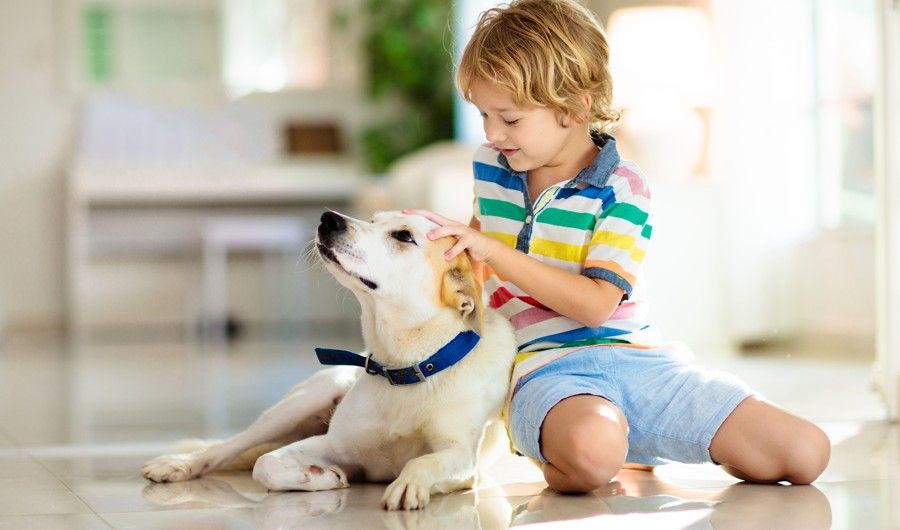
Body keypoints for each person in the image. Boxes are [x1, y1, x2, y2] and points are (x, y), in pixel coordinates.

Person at [405, 0, 830, 493]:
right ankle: (595, 446)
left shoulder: (624, 187)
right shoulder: (490, 169)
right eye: (483, 114)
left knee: (807, 452)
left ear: (574, 107)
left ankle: (642, 439)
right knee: (594, 449)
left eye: (510, 119)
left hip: (642, 363)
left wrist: (493, 251)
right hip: (547, 371)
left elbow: (595, 306)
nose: (492, 133)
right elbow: (473, 272)